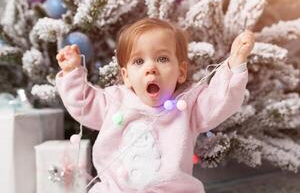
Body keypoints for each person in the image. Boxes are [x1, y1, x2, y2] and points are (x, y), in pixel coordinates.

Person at [55, 18, 254, 193]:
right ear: (126, 76)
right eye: (139, 61)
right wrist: (73, 72)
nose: (150, 68)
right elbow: (83, 102)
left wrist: (235, 63)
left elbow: (220, 100)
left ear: (181, 72)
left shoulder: (188, 105)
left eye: (162, 59)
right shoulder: (114, 101)